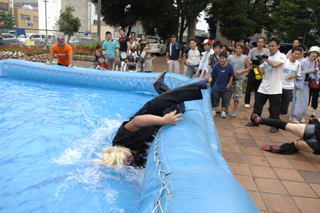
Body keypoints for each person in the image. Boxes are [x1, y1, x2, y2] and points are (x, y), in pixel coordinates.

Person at [96, 71, 212, 167]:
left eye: (126, 159)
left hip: (147, 115)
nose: (128, 161)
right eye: (125, 163)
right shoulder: (135, 162)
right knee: (179, 107)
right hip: (153, 128)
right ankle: (159, 85)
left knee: (163, 100)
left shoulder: (120, 140)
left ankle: (198, 85)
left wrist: (164, 121)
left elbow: (137, 121)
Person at [246, 37, 286, 133]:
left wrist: (265, 58)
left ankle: (275, 126)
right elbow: (261, 73)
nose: (271, 48)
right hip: (264, 85)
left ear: (278, 46)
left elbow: (275, 65)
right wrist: (257, 64)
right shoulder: (267, 57)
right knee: (258, 105)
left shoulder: (281, 56)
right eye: (270, 46)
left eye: (273, 46)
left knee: (274, 108)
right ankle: (255, 121)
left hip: (275, 87)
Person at [251, 114, 320, 155]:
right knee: (294, 145)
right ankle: (282, 149)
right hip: (315, 145)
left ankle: (261, 120)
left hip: (312, 129)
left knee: (285, 125)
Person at [289, 46, 319, 123]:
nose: (314, 54)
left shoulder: (316, 62)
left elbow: (316, 74)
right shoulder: (302, 62)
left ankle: (301, 115)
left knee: (305, 101)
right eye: (313, 52)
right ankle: (293, 116)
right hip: (299, 83)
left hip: (307, 83)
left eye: (316, 53)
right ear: (309, 53)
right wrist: (308, 71)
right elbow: (298, 73)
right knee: (297, 100)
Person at [207, 51, 235, 118]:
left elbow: (232, 75)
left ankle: (223, 111)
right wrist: (205, 79)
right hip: (217, 85)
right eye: (220, 58)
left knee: (225, 99)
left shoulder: (230, 65)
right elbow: (212, 74)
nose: (221, 60)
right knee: (215, 98)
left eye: (223, 58)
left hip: (226, 86)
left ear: (226, 58)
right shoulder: (216, 65)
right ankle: (214, 110)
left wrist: (229, 83)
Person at [245, 37, 269, 108]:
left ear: (264, 43)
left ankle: (257, 102)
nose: (260, 43)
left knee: (258, 88)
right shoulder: (253, 50)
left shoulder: (266, 51)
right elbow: (248, 59)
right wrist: (252, 63)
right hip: (253, 69)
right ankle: (247, 101)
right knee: (249, 86)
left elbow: (268, 59)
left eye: (262, 42)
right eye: (259, 42)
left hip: (262, 70)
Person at [279, 46, 302, 120]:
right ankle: (274, 116)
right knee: (276, 102)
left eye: (299, 54)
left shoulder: (298, 64)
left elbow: (298, 74)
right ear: (292, 53)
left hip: (289, 86)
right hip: (280, 85)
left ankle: (279, 118)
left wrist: (293, 76)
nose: (296, 56)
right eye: (295, 53)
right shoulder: (285, 61)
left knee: (285, 104)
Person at [228, 42, 250, 118]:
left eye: (239, 48)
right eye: (236, 48)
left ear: (242, 49)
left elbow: (248, 68)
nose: (238, 50)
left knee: (237, 95)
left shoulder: (245, 58)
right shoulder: (230, 57)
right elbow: (228, 66)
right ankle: (226, 108)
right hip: (230, 78)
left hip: (239, 78)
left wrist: (241, 71)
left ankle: (235, 111)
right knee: (228, 93)